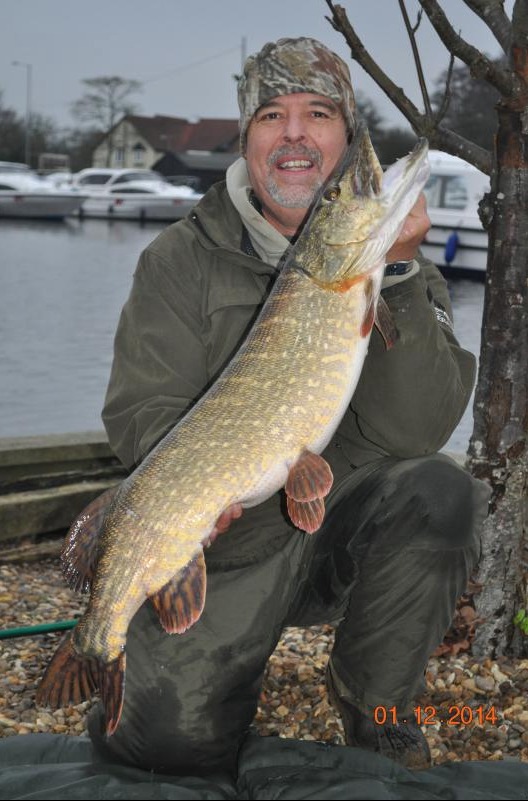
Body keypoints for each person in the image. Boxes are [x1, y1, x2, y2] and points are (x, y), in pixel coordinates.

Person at [90, 37, 490, 774]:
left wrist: (396, 270)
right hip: (230, 545)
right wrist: (195, 493)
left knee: (442, 490)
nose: (296, 133)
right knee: (162, 748)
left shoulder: (393, 267)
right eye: (272, 115)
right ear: (247, 139)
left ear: (342, 136)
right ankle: (136, 660)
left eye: (320, 114)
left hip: (344, 519)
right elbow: (143, 411)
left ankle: (379, 708)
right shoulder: (179, 259)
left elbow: (421, 427)